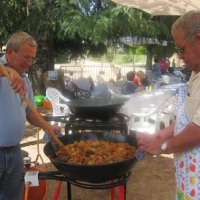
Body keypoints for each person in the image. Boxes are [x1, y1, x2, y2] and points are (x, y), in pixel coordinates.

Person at [137, 10, 200, 200]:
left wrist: (162, 146)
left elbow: (198, 130)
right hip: (190, 179)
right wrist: (166, 132)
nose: (179, 56)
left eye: (181, 48)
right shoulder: (196, 71)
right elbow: (190, 115)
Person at [0, 31, 61, 199]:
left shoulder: (25, 80)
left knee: (13, 196)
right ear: (10, 52)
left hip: (14, 152)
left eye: (32, 59)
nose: (29, 63)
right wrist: (8, 71)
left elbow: (31, 114)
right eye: (26, 57)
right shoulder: (2, 69)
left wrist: (48, 127)